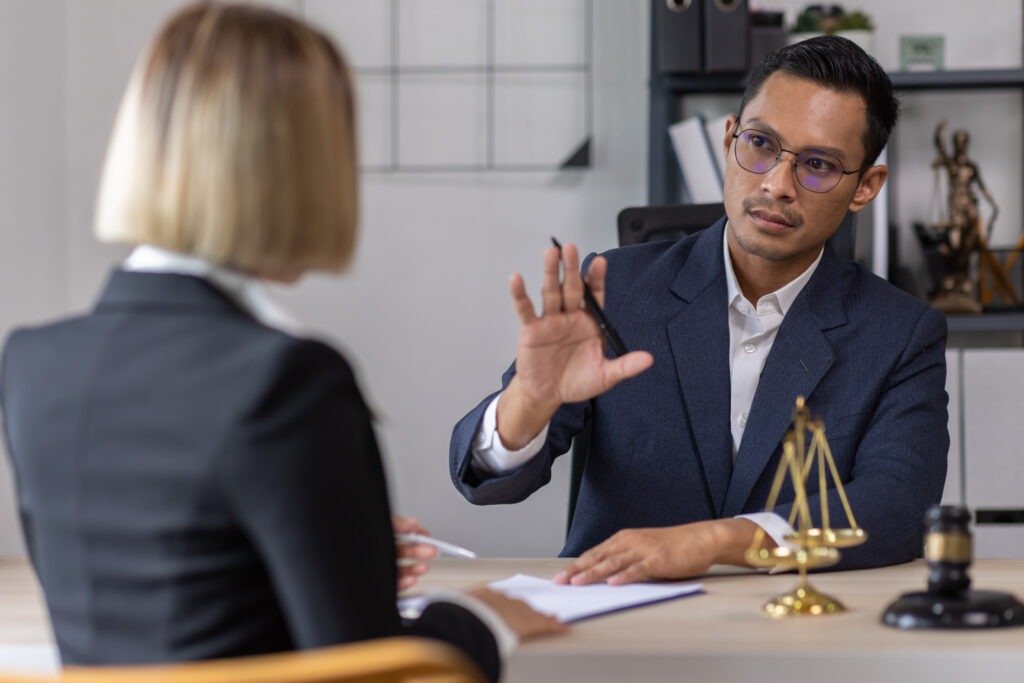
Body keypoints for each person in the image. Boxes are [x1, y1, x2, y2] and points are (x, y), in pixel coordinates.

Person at [0, 3, 563, 680]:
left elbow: (161, 598)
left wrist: (320, 547)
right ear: (298, 168)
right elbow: (369, 666)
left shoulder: (31, 364)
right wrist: (488, 618)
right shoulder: (290, 380)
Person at [450, 35, 949, 585]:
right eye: (760, 143)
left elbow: (898, 507)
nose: (777, 185)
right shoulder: (618, 289)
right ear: (730, 138)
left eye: (818, 165)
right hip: (620, 631)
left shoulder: (900, 333)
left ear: (865, 187)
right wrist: (529, 400)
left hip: (795, 633)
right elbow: (487, 483)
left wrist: (717, 540)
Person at [930, 120, 999, 312]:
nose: (960, 144)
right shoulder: (951, 163)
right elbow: (940, 148)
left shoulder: (971, 166)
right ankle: (953, 283)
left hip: (970, 211)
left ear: (966, 143)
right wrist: (939, 132)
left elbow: (982, 187)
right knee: (955, 246)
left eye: (963, 141)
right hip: (955, 212)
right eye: (957, 141)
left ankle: (963, 286)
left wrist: (993, 204)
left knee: (968, 248)